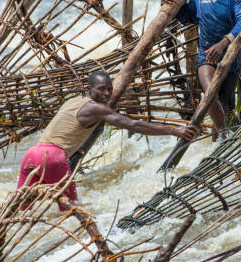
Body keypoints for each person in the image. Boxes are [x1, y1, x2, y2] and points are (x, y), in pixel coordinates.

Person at [17, 70, 197, 209]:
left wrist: (76, 148)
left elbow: (66, 130)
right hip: (54, 158)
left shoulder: (72, 101)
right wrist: (174, 130)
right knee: (72, 211)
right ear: (90, 89)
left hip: (32, 155)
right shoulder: (96, 108)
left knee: (21, 207)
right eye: (101, 89)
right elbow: (133, 125)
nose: (107, 93)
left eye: (110, 89)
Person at [162, 0, 241, 141]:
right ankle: (223, 135)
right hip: (207, 56)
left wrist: (224, 42)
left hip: (231, 59)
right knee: (209, 93)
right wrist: (174, 4)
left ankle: (218, 143)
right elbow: (190, 17)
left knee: (223, 105)